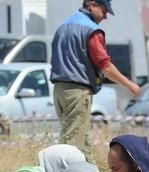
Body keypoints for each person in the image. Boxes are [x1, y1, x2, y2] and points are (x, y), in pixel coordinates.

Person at [50, 0, 141, 158]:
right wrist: (130, 85)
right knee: (71, 144)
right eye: (104, 10)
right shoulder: (91, 30)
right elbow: (104, 66)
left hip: (59, 89)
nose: (105, 16)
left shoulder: (63, 26)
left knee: (82, 141)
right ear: (92, 5)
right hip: (77, 92)